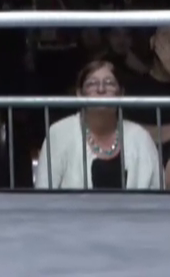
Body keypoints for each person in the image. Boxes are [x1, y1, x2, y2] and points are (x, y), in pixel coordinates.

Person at [34, 59, 162, 191]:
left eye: (109, 83)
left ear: (121, 94)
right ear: (79, 94)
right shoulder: (59, 133)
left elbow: (160, 191)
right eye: (92, 84)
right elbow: (43, 193)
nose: (101, 89)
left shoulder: (140, 137)